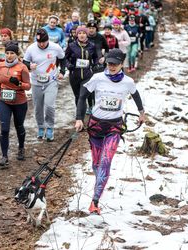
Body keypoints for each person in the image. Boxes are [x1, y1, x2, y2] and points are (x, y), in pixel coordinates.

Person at [74, 49, 146, 215]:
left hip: (114, 128)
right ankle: (99, 183)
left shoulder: (127, 82)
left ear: (122, 64)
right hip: (96, 127)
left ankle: (95, 201)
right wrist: (79, 118)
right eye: (109, 63)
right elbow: (82, 95)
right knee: (96, 164)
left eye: (115, 63)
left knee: (106, 162)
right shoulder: (98, 78)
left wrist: (142, 113)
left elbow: (136, 95)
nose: (112, 66)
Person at [0, 41, 31, 168]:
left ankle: (21, 148)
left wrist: (19, 84)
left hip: (19, 101)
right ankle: (4, 156)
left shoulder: (22, 67)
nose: (9, 55)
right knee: (4, 129)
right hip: (3, 100)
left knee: (19, 125)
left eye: (12, 53)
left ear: (17, 54)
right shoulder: (1, 65)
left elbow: (28, 86)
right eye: (7, 53)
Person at [23, 28, 66, 141]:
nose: (41, 44)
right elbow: (25, 62)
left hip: (51, 81)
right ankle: (41, 127)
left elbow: (63, 58)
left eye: (44, 42)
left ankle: (50, 127)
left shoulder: (55, 47)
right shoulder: (31, 48)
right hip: (36, 82)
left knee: (49, 106)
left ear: (47, 40)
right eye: (39, 42)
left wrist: (62, 72)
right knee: (38, 107)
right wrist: (29, 66)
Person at [65, 26, 98, 106]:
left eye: (84, 33)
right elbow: (65, 58)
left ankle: (90, 107)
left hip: (87, 75)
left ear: (87, 35)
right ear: (77, 35)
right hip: (74, 75)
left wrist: (95, 65)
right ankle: (79, 115)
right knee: (78, 96)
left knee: (84, 95)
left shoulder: (92, 46)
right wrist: (69, 65)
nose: (81, 35)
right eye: (79, 33)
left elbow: (95, 57)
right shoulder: (71, 45)